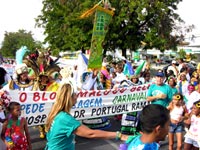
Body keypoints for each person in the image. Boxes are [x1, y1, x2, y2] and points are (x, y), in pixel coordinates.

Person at [45, 83, 128, 150]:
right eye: (75, 94)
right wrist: (119, 135)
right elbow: (91, 134)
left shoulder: (56, 113)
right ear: (68, 98)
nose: (77, 97)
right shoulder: (64, 118)